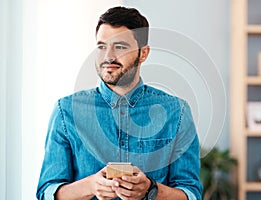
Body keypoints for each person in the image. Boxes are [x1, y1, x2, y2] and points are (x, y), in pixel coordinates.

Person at [36, 6, 202, 200]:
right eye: (102, 46)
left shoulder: (177, 112)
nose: (108, 56)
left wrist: (151, 189)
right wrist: (90, 186)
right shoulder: (65, 111)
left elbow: (191, 194)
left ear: (143, 53)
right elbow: (47, 193)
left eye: (120, 46)